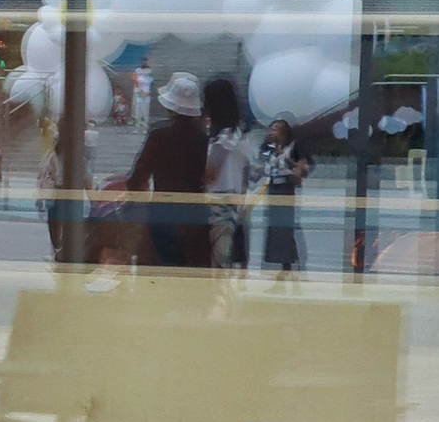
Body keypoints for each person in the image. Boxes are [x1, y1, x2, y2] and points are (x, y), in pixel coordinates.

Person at [125, 68, 208, 266]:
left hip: (163, 213)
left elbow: (138, 176)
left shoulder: (159, 136)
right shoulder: (204, 140)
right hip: (195, 216)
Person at [202, 76, 251, 270]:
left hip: (219, 203)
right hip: (232, 201)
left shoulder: (226, 138)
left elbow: (210, 171)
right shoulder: (239, 134)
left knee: (219, 261)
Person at [255, 117, 311, 275]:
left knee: (285, 227)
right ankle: (282, 262)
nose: (273, 132)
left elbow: (303, 170)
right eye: (271, 129)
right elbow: (260, 165)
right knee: (275, 228)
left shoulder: (294, 147)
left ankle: (291, 262)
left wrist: (287, 159)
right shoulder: (267, 148)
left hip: (286, 188)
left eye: (276, 129)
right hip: (272, 187)